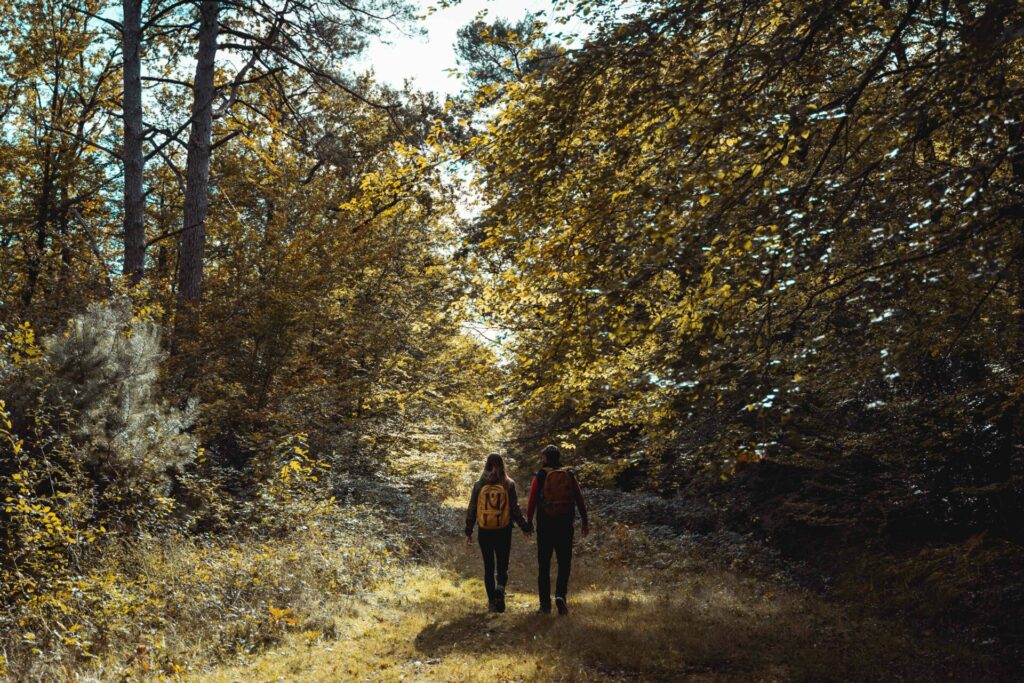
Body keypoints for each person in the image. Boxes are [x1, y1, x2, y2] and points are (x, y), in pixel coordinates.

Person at [526, 444, 589, 615]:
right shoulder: (569, 475)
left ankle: (545, 605)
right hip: (565, 525)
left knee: (544, 565)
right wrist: (584, 521)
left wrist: (529, 521)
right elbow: (579, 498)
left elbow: (532, 501)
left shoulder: (540, 476)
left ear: (545, 458)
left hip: (545, 526)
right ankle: (561, 596)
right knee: (564, 563)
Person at [465, 453, 530, 613]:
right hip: (503, 530)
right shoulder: (508, 484)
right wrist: (524, 525)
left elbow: (472, 507)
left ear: (486, 464)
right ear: (502, 465)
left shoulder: (479, 484)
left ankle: (492, 603)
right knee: (502, 564)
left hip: (485, 530)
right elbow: (514, 509)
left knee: (488, 567)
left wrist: (469, 530)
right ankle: (500, 587)